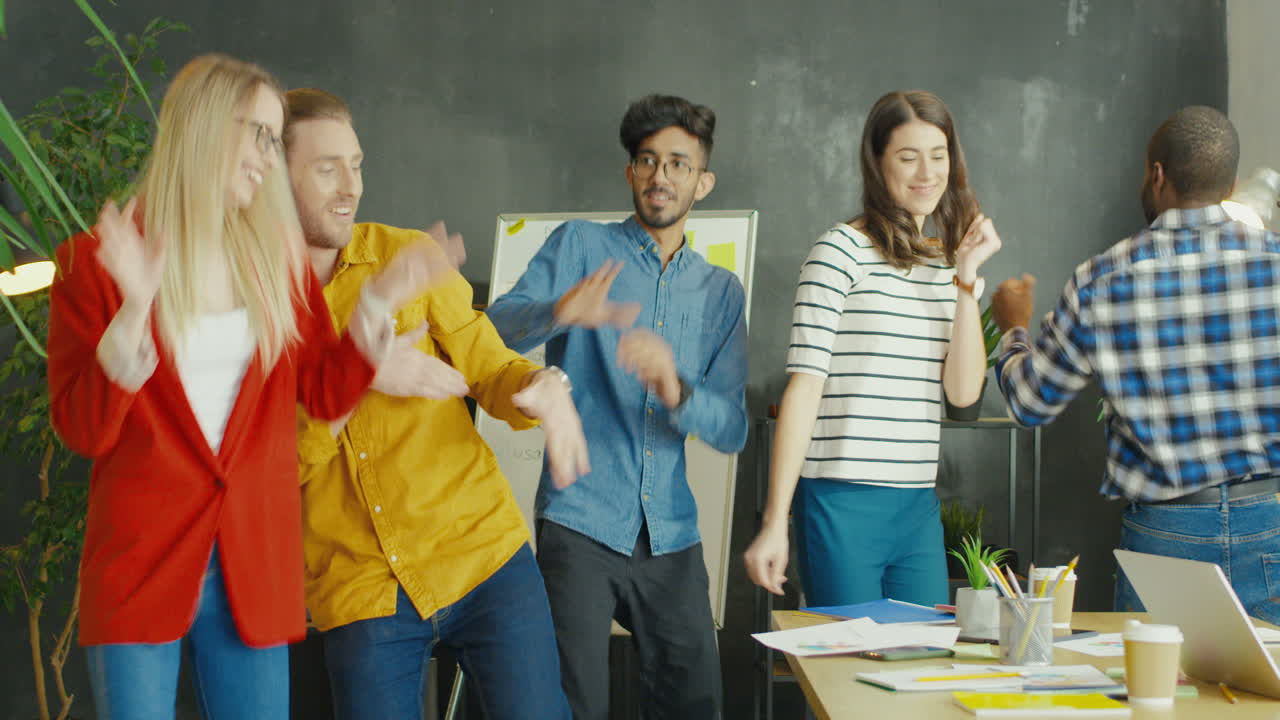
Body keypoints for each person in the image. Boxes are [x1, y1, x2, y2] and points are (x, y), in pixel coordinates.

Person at [46, 55, 443, 719]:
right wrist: (134, 312)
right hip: (140, 567)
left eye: (274, 136)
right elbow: (84, 430)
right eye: (258, 134)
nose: (269, 156)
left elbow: (322, 391)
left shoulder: (275, 259)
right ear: (203, 126)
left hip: (251, 569)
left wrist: (376, 305)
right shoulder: (93, 262)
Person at [284, 87, 585, 720]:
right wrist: (360, 372)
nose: (350, 186)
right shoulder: (258, 308)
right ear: (272, 178)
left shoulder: (404, 257)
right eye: (326, 167)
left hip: (482, 552)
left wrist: (541, 388)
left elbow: (491, 366)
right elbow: (285, 464)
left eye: (357, 164)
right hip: (360, 585)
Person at [486, 94, 748, 719]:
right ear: (630, 171)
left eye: (679, 164)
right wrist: (557, 311)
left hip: (672, 536)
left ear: (702, 182)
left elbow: (733, 426)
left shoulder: (719, 293)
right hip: (580, 521)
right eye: (648, 160)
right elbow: (491, 332)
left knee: (696, 704)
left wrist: (676, 389)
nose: (661, 175)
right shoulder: (579, 245)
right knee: (571, 706)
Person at [991, 105, 1280, 623]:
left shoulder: (1102, 279)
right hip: (1273, 520)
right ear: (1230, 183)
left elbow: (1031, 403)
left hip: (1166, 532)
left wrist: (1014, 328)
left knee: (1157, 696)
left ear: (1157, 174)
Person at [744, 90, 1001, 608]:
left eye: (938, 155)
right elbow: (805, 388)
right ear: (877, 163)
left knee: (919, 671)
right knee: (844, 670)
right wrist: (776, 522)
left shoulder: (945, 265)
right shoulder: (838, 250)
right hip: (842, 498)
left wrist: (967, 280)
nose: (926, 172)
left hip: (915, 504)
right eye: (907, 157)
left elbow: (963, 393)